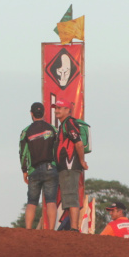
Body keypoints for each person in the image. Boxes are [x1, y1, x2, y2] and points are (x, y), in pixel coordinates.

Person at [19, 102, 58, 229]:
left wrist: (24, 170)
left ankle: (28, 230)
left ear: (31, 114)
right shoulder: (53, 129)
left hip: (33, 170)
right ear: (44, 113)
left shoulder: (26, 132)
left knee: (31, 202)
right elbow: (58, 148)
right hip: (50, 168)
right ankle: (51, 230)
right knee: (51, 201)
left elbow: (23, 153)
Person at [53, 98, 88, 231]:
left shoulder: (69, 123)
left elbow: (78, 143)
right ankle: (72, 227)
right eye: (56, 108)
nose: (57, 110)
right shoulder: (64, 125)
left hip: (70, 165)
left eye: (60, 108)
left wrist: (82, 161)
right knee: (68, 196)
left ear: (68, 110)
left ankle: (74, 228)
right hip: (66, 166)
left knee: (71, 195)